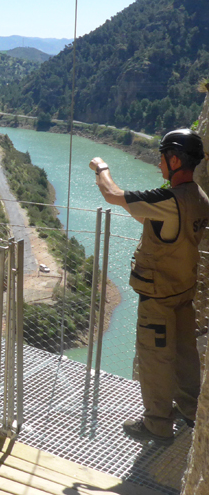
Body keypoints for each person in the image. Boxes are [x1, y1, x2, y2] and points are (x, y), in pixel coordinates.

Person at [89, 128, 209, 444]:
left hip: (158, 296)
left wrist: (101, 167)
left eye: (162, 158)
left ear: (174, 160)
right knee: (185, 353)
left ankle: (157, 424)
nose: (158, 164)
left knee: (155, 358)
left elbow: (112, 194)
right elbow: (163, 224)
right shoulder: (199, 198)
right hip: (183, 291)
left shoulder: (168, 200)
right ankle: (191, 410)